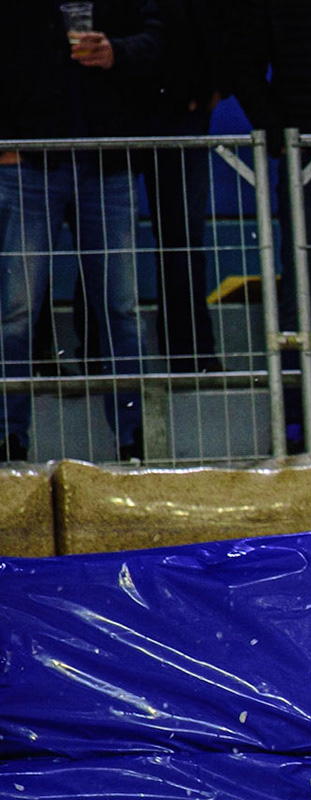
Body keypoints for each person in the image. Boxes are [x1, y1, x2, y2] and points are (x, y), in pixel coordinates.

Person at [1, 0, 161, 464]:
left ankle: (136, 437)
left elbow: (157, 40)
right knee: (16, 309)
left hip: (106, 158)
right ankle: (8, 436)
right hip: (28, 158)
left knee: (120, 308)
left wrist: (118, 52)